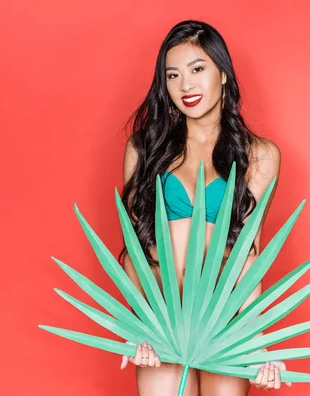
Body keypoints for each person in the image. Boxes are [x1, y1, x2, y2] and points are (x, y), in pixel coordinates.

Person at [117, 20, 290, 395]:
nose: (186, 86)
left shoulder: (259, 155)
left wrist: (258, 345)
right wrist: (135, 326)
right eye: (173, 75)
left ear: (223, 74)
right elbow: (134, 249)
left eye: (198, 70)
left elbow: (248, 258)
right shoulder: (144, 150)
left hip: (224, 324)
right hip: (160, 323)